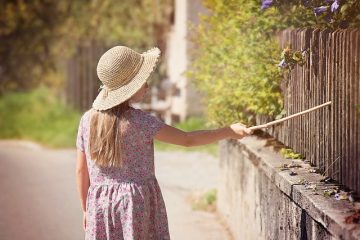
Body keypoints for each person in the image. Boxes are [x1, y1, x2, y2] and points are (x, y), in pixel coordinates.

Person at [75, 46, 253, 240]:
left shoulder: (87, 120)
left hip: (98, 205)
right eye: (143, 81)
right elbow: (187, 139)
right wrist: (228, 131)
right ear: (130, 88)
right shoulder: (141, 122)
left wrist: (86, 209)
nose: (147, 86)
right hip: (135, 205)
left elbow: (80, 170)